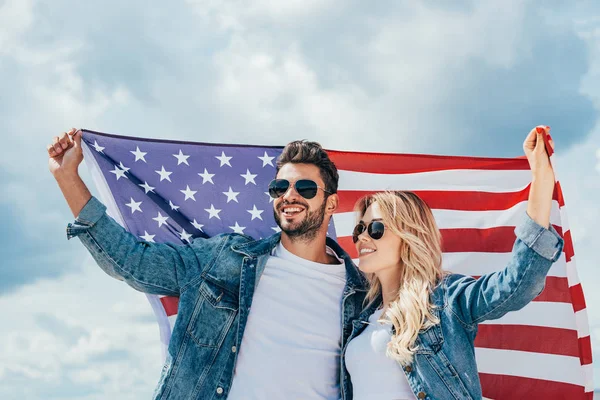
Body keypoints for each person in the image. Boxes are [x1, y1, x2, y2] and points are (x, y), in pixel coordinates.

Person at [47, 129, 368, 400]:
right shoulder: (223, 260)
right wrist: (67, 177)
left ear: (332, 204)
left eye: (306, 188)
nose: (290, 195)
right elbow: (133, 263)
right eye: (280, 188)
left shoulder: (365, 297)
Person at [342, 126, 564, 400]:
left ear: (408, 237)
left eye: (375, 228)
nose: (362, 236)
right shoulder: (358, 315)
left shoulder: (445, 300)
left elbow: (516, 284)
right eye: (359, 229)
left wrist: (541, 175)